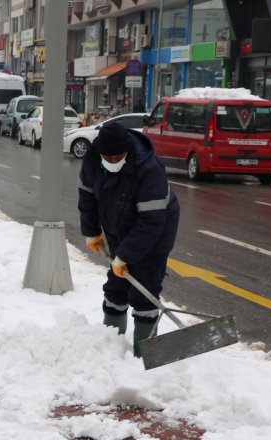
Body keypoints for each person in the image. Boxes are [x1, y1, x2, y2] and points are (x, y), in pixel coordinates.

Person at [77, 121, 180, 358]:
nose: (113, 161)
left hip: (156, 232)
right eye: (108, 157)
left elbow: (152, 221)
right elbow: (87, 198)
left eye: (118, 157)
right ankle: (111, 349)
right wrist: (91, 231)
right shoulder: (93, 161)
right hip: (118, 226)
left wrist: (125, 255)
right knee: (116, 286)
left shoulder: (148, 168)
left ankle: (143, 356)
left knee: (144, 290)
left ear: (128, 151)